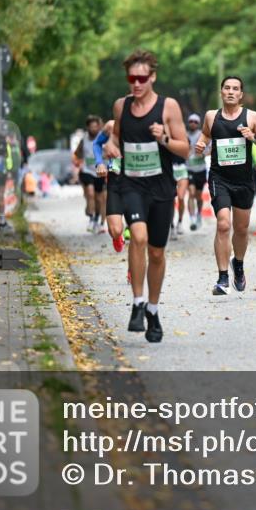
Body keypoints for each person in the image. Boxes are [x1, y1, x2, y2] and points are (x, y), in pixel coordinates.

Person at [104, 49, 189, 343]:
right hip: (132, 184)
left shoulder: (168, 108)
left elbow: (185, 148)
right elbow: (115, 138)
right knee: (137, 237)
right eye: (132, 78)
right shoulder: (120, 106)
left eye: (142, 78)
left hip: (161, 188)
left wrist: (163, 138)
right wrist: (111, 148)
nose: (136, 84)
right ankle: (137, 303)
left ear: (152, 77)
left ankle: (153, 310)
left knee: (156, 252)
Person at [193, 75, 256, 295]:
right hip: (220, 178)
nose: (230, 91)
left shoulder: (252, 117)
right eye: (226, 88)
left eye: (235, 89)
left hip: (244, 181)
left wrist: (253, 137)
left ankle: (238, 264)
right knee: (223, 225)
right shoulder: (211, 116)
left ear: (241, 95)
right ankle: (222, 278)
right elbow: (205, 136)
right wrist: (201, 144)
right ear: (221, 92)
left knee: (241, 229)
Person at [93, 119, 127, 252]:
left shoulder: (149, 122)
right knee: (115, 230)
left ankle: (135, 270)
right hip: (116, 176)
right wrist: (99, 162)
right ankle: (118, 236)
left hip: (139, 179)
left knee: (139, 231)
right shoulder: (111, 126)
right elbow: (97, 143)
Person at [75, 115, 106, 234]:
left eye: (95, 126)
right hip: (87, 170)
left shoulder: (103, 137)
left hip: (99, 171)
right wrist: (79, 160)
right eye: (91, 127)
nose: (93, 129)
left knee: (100, 199)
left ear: (98, 127)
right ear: (87, 127)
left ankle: (97, 218)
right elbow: (77, 153)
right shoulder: (84, 139)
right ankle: (91, 217)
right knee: (90, 192)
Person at [185, 113, 208, 231]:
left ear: (198, 124)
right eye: (190, 121)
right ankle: (192, 218)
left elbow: (210, 149)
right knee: (191, 193)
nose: (192, 123)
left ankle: (199, 214)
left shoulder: (202, 135)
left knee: (199, 196)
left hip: (201, 169)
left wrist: (202, 154)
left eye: (195, 121)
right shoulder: (184, 135)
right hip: (189, 169)